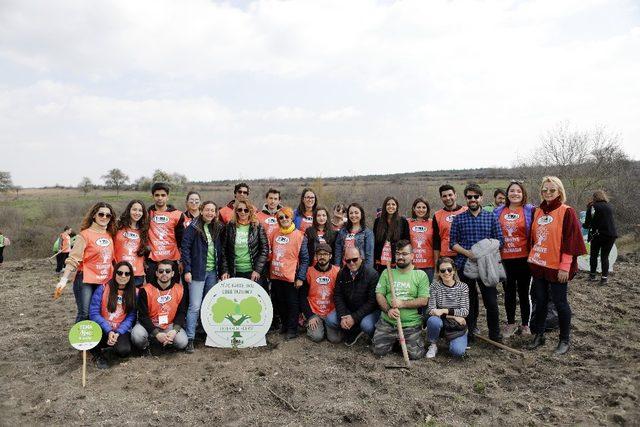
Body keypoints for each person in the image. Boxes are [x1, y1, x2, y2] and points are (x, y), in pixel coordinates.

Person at [527, 176, 586, 355]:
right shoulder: (537, 212)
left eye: (552, 190)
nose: (548, 193)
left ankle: (564, 339)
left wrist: (565, 267)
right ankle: (539, 334)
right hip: (539, 265)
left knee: (560, 303)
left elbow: (571, 241)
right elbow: (534, 238)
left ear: (559, 191)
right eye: (545, 190)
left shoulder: (566, 211)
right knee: (541, 301)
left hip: (557, 267)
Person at [450, 183, 504, 343]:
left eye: (475, 196)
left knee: (491, 301)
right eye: (469, 197)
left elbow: (500, 240)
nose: (472, 199)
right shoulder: (459, 219)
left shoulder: (491, 217)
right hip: (464, 264)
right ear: (466, 199)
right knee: (469, 300)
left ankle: (495, 334)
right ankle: (470, 331)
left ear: (481, 198)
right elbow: (452, 243)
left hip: (487, 266)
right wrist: (468, 253)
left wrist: (483, 252)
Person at [56, 202, 116, 323]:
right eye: (101, 214)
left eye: (108, 215)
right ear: (94, 215)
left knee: (99, 313)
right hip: (85, 280)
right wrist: (63, 280)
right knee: (85, 313)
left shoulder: (110, 235)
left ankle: (97, 341)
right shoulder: (84, 235)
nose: (104, 217)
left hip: (104, 280)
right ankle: (79, 341)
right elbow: (73, 259)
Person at [372, 240, 429, 360]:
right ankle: (395, 340)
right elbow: (379, 294)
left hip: (410, 324)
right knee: (378, 351)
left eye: (404, 254)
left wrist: (402, 303)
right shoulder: (387, 273)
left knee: (416, 355)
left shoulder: (420, 275)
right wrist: (388, 310)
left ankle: (403, 341)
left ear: (412, 256)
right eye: (398, 253)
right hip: (388, 323)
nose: (400, 257)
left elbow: (424, 300)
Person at [181, 201, 224, 353]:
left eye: (212, 210)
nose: (210, 213)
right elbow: (185, 248)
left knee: (210, 305)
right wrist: (187, 270)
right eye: (207, 210)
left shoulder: (217, 227)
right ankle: (190, 338)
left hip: (213, 272)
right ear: (201, 210)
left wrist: (222, 270)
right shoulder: (193, 227)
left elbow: (221, 250)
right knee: (195, 306)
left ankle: (208, 334)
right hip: (197, 272)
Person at [494, 181, 536, 337]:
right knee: (509, 292)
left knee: (525, 293)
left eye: (518, 191)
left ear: (523, 194)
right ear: (507, 194)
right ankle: (511, 323)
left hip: (525, 259)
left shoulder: (530, 210)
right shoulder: (498, 211)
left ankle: (526, 325)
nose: (515, 193)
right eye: (512, 191)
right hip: (505, 259)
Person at [269, 207, 310, 340]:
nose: (284, 219)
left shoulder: (300, 235)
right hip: (276, 274)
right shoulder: (275, 233)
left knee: (292, 303)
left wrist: (300, 277)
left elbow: (305, 259)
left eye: (286, 216)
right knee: (280, 302)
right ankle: (285, 325)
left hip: (292, 276)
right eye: (281, 217)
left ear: (291, 217)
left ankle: (293, 329)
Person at [326, 246, 380, 345]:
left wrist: (354, 318)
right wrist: (342, 316)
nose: (351, 263)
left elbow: (372, 302)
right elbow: (338, 295)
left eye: (355, 259)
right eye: (348, 260)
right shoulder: (342, 273)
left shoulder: (372, 274)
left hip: (367, 312)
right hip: (349, 309)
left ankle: (369, 334)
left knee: (367, 325)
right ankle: (351, 329)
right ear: (344, 260)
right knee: (330, 320)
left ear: (361, 257)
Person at [132, 260, 189, 352]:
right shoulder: (145, 290)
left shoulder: (180, 289)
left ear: (173, 273)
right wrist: (156, 333)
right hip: (149, 324)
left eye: (167, 271)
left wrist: (175, 330)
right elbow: (143, 316)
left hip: (169, 325)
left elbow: (182, 313)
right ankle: (148, 345)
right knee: (137, 336)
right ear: (156, 273)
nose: (164, 274)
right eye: (161, 271)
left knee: (182, 342)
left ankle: (166, 341)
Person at [89, 261, 137, 368]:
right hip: (103, 327)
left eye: (127, 273)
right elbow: (93, 313)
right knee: (91, 337)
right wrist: (109, 330)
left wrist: (118, 332)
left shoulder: (134, 292)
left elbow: (131, 316)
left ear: (130, 276)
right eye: (119, 273)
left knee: (124, 351)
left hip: (120, 330)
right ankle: (98, 355)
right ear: (114, 273)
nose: (123, 276)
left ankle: (111, 349)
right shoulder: (103, 288)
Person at [425, 257, 469, 359]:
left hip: (456, 325)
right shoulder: (434, 287)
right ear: (438, 273)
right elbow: (431, 310)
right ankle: (433, 344)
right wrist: (454, 316)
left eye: (449, 269)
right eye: (442, 270)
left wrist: (443, 311)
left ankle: (454, 340)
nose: (446, 273)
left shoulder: (463, 287)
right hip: (442, 321)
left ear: (454, 270)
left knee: (457, 352)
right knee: (433, 321)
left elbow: (465, 311)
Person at [301, 243, 341, 343]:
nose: (322, 257)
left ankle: (328, 327)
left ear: (330, 256)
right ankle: (312, 325)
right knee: (317, 337)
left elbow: (341, 296)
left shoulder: (337, 271)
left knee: (335, 339)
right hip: (315, 312)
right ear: (315, 256)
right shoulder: (309, 272)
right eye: (319, 254)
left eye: (325, 254)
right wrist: (310, 316)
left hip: (331, 312)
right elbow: (302, 296)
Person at [221, 200, 269, 283]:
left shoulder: (257, 226)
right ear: (236, 211)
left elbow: (264, 249)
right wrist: (225, 270)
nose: (243, 212)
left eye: (246, 210)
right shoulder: (229, 226)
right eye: (240, 210)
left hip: (253, 272)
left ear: (250, 211)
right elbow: (223, 250)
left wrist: (257, 270)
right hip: (235, 272)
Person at [147, 183, 185, 280]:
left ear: (167, 197)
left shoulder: (177, 215)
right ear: (153, 197)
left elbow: (181, 240)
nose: (160, 198)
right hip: (153, 260)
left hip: (171, 259)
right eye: (157, 195)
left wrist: (181, 260)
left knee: (172, 291)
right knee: (152, 291)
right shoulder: (147, 214)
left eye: (163, 195)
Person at [583, 190, 618, 284]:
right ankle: (604, 278)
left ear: (594, 198)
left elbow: (587, 224)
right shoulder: (609, 206)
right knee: (605, 257)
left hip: (598, 235)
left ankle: (592, 276)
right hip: (611, 235)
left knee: (594, 255)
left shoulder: (592, 207)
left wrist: (583, 225)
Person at [114, 200, 149, 287]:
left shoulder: (144, 230)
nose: (137, 213)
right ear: (129, 210)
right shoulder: (118, 226)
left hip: (137, 274)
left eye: (140, 210)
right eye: (134, 209)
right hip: (119, 272)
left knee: (134, 300)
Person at [372, 196, 410, 274]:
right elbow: (375, 242)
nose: (391, 206)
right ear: (384, 206)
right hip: (380, 260)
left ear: (397, 207)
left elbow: (406, 242)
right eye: (388, 204)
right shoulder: (378, 221)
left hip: (396, 260)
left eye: (393, 204)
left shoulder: (403, 221)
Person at [433, 184, 467, 265]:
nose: (448, 198)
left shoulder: (466, 211)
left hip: (465, 254)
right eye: (444, 196)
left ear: (455, 195)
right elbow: (436, 241)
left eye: (450, 195)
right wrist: (436, 262)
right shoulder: (437, 215)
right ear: (441, 198)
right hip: (446, 257)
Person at [334, 203, 374, 268]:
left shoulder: (367, 233)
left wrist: (368, 272)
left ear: (361, 214)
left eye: (356, 213)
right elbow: (338, 252)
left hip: (361, 268)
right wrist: (337, 268)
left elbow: (369, 255)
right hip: (345, 268)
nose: (353, 215)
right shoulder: (342, 232)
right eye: (351, 213)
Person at [408, 198, 435, 282]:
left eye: (424, 207)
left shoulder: (433, 222)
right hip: (411, 264)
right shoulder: (407, 222)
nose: (421, 210)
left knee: (426, 291)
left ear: (427, 209)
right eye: (418, 207)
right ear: (414, 208)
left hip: (429, 265)